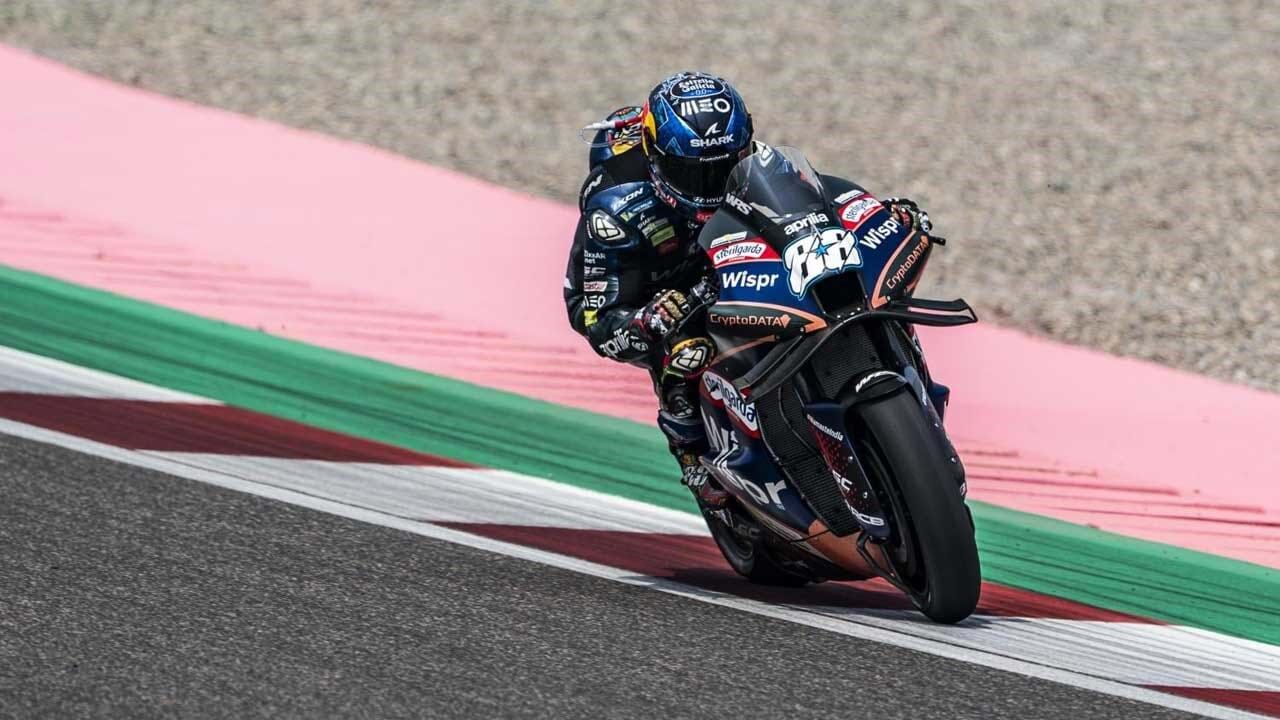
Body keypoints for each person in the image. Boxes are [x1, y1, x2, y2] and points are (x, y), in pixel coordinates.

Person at [563, 71, 934, 510]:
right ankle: (694, 460)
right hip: (662, 290)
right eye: (691, 173)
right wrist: (647, 320)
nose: (709, 187)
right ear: (656, 158)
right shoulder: (615, 212)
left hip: (734, 264)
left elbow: (818, 201)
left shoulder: (761, 163)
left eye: (723, 168)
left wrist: (879, 217)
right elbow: (593, 317)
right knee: (685, 353)